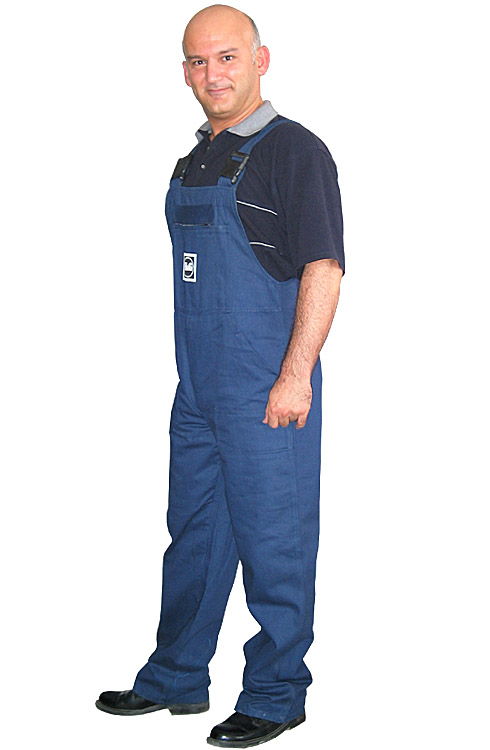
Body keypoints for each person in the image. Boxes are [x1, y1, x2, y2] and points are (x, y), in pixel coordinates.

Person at [96, 4, 344, 747]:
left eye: (227, 57)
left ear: (260, 61)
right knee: (195, 537)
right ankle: (176, 675)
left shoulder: (294, 150)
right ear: (185, 73)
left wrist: (295, 374)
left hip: (267, 387)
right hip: (199, 389)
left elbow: (324, 268)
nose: (213, 74)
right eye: (199, 62)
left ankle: (275, 693)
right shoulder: (194, 160)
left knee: (275, 545)